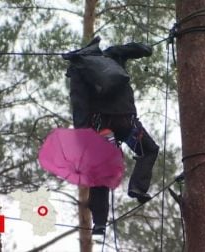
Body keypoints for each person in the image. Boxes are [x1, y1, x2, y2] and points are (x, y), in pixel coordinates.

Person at [64, 37, 159, 235]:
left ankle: (99, 222)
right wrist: (146, 49)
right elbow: (136, 48)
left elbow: (79, 107)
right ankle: (138, 188)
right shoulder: (112, 54)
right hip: (127, 124)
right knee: (149, 150)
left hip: (102, 128)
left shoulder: (78, 72)